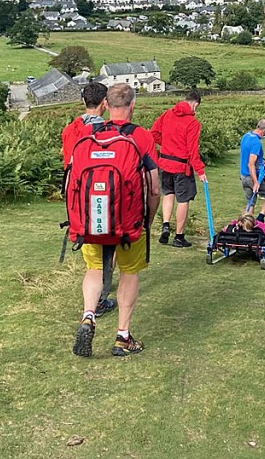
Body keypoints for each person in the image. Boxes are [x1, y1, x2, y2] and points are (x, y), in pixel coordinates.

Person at [73, 83, 161, 358]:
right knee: (128, 273)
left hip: (92, 222)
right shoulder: (141, 137)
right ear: (133, 106)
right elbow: (154, 187)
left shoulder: (90, 135)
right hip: (128, 223)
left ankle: (89, 315)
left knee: (94, 268)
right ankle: (122, 336)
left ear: (106, 106)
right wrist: (148, 219)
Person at [61, 82, 117, 317]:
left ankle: (96, 293)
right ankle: (101, 296)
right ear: (105, 103)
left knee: (90, 248)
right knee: (108, 248)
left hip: (77, 197)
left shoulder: (70, 130)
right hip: (105, 194)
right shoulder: (112, 132)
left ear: (84, 102)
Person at [150, 90, 208, 248]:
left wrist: (167, 144)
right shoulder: (192, 123)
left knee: (168, 194)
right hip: (181, 166)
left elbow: (153, 133)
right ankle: (179, 236)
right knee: (183, 200)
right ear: (195, 104)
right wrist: (200, 171)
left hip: (164, 163)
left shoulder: (167, 114)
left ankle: (166, 225)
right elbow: (192, 151)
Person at [239, 119, 265, 221]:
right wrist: (256, 182)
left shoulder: (246, 136)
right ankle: (260, 218)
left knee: (251, 202)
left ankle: (248, 227)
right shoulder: (256, 142)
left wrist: (262, 161)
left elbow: (247, 155)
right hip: (253, 176)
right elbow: (251, 163)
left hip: (243, 176)